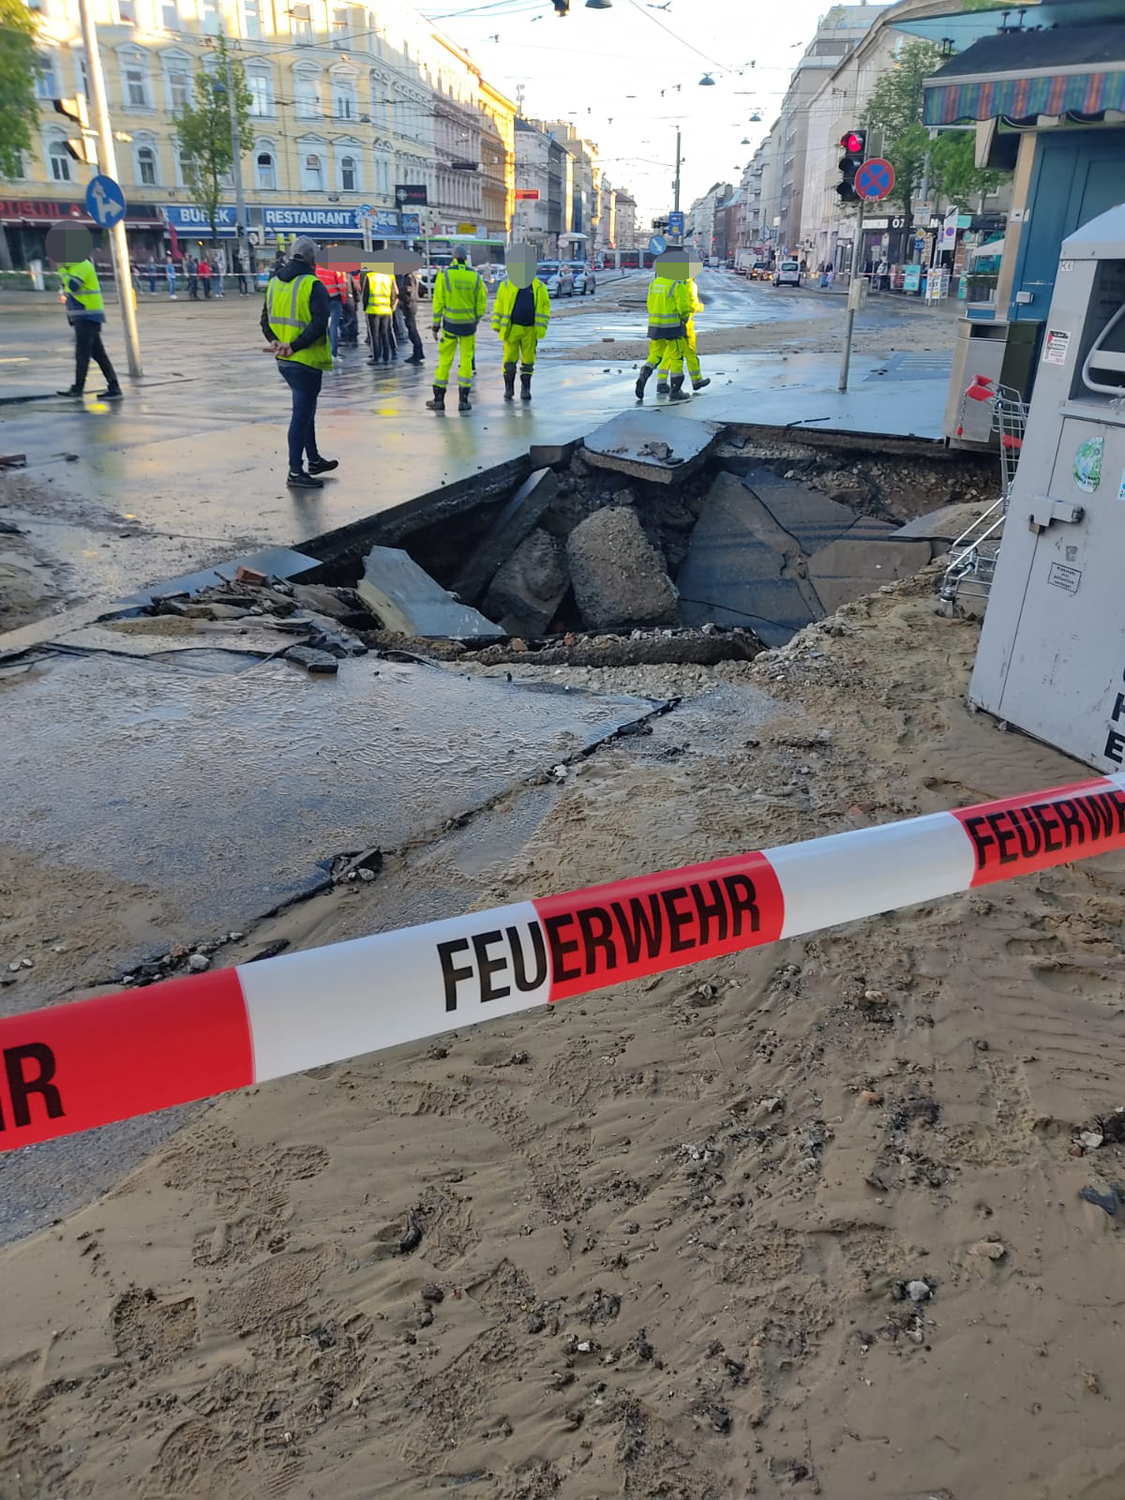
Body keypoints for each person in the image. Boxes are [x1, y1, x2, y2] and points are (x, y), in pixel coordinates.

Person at [260, 234, 337, 490]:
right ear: (313, 259)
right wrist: (293, 346)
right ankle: (295, 471)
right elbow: (319, 324)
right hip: (305, 360)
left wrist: (275, 341)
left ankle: (313, 460)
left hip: (284, 361)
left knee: (306, 413)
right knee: (301, 417)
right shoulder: (312, 285)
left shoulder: (274, 283)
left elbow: (265, 320)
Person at [46, 223, 123, 401]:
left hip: (88, 316)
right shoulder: (73, 266)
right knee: (98, 354)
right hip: (84, 316)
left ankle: (78, 388)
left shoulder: (82, 265)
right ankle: (114, 386)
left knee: (82, 354)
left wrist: (62, 270)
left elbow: (73, 285)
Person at [427, 246, 486, 413]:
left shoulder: (445, 275)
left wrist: (435, 325)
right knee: (466, 361)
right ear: (466, 258)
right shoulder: (475, 276)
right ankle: (464, 401)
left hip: (450, 326)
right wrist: (475, 319)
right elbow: (481, 303)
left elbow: (438, 303)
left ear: (453, 257)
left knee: (445, 361)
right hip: (468, 326)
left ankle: (439, 400)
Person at [490, 242, 549, 401]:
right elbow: (499, 305)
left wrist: (542, 326)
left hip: (530, 329)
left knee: (528, 361)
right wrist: (496, 324)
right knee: (509, 359)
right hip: (512, 329)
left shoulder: (538, 286)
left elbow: (545, 306)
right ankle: (509, 389)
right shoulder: (507, 285)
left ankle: (525, 389)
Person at [634, 250, 693, 403]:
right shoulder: (677, 283)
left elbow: (649, 304)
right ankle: (675, 390)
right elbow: (683, 307)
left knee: (655, 355)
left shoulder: (655, 284)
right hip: (673, 328)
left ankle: (644, 373)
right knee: (677, 357)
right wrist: (685, 319)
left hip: (655, 327)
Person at [657, 256, 709, 396]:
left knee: (670, 352)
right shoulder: (689, 284)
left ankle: (661, 382)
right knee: (689, 352)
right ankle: (695, 381)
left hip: (671, 323)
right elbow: (689, 304)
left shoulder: (676, 282)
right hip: (686, 324)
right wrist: (700, 307)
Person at [362, 258, 397, 364]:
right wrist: (391, 306)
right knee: (385, 333)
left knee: (374, 334)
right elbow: (393, 294)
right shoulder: (389, 277)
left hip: (373, 309)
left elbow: (365, 294)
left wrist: (364, 307)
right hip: (386, 309)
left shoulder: (370, 277)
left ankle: (376, 357)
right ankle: (387, 356)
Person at [316, 258, 347, 360]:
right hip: (335, 299)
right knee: (334, 326)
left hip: (321, 299)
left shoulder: (317, 266)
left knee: (323, 325)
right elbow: (342, 285)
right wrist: (344, 300)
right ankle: (333, 353)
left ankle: (325, 350)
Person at [396, 266, 425, 364]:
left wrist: (401, 299)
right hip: (411, 305)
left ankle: (417, 353)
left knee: (412, 330)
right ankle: (418, 352)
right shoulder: (411, 276)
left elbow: (409, 293)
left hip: (409, 306)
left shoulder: (408, 277)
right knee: (412, 329)